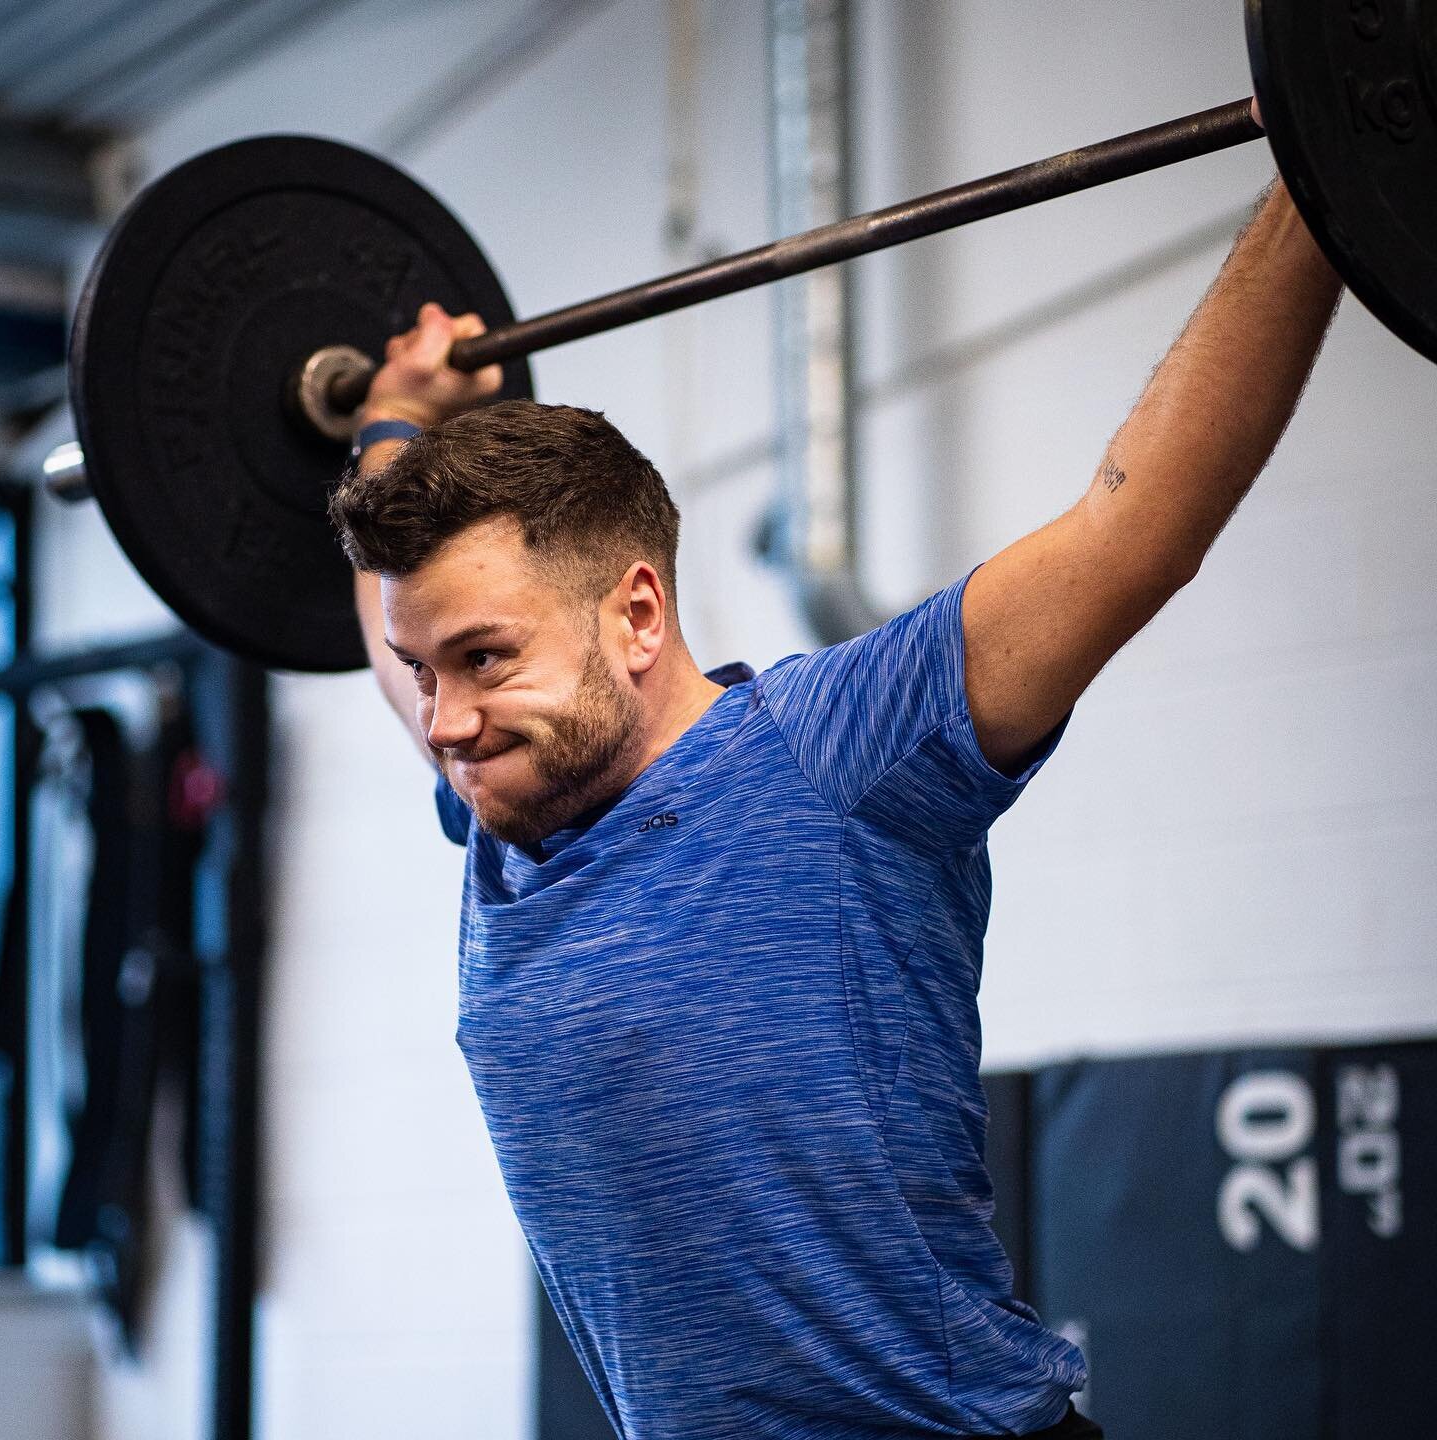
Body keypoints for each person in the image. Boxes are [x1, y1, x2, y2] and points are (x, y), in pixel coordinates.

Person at [327, 148, 1340, 1438]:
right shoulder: (502, 798)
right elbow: (395, 631)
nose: (445, 721)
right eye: (425, 673)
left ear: (637, 613)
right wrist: (394, 418)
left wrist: (1320, 180)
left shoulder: (828, 754)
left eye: (483, 659)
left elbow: (1133, 527)